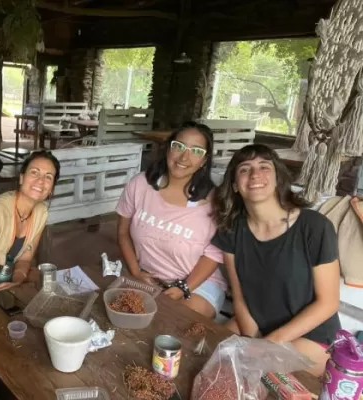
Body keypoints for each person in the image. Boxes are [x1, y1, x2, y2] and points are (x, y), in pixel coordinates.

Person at [212, 144, 340, 376]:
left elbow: (328, 303)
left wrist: (266, 345)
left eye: (264, 166)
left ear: (278, 178)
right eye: (244, 169)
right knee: (208, 356)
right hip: (257, 326)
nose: (255, 175)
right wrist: (252, 340)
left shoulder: (313, 227)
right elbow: (240, 297)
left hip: (310, 336)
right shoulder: (231, 229)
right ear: (234, 186)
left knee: (255, 376)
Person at [116, 121, 226, 319]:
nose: (184, 156)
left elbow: (214, 255)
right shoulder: (140, 184)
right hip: (148, 277)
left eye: (196, 151)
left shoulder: (214, 201)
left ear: (204, 160)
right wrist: (136, 272)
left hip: (197, 284)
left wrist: (183, 287)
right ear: (168, 148)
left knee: (177, 320)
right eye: (179, 146)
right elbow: (123, 232)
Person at [0, 150, 60, 293]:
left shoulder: (41, 212)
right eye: (34, 172)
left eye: (48, 177)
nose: (41, 181)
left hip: (1, 277)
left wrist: (16, 281)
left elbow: (25, 259)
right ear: (21, 178)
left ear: (51, 189)